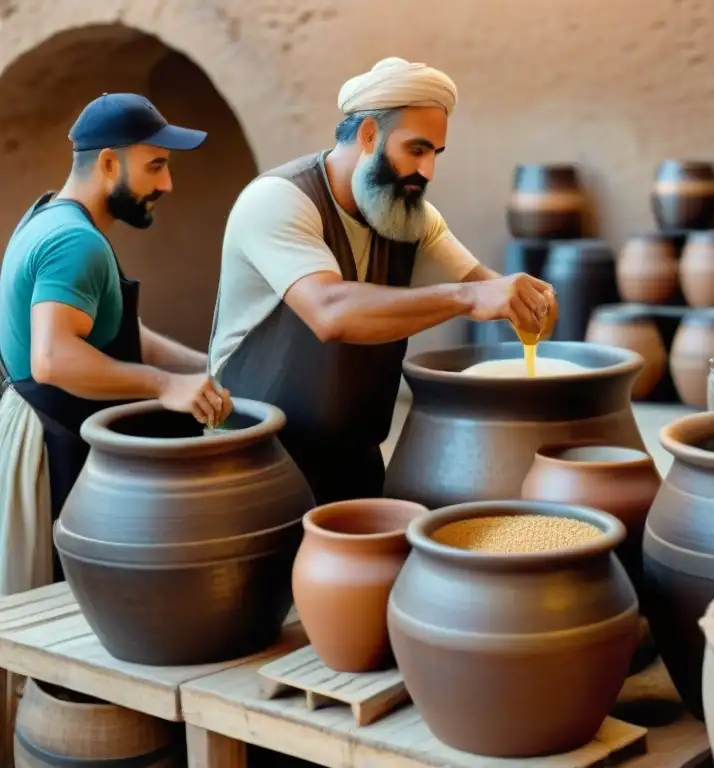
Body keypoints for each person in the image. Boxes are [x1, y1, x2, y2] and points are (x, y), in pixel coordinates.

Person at [207, 56, 557, 505]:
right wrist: (468, 298)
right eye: (416, 149)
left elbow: (494, 290)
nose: (427, 171)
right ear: (369, 134)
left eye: (435, 154)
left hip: (354, 456)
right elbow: (329, 311)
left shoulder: (412, 218)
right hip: (252, 458)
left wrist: (535, 303)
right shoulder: (278, 200)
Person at [0, 93, 233, 596]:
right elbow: (54, 357)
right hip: (51, 456)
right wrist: (164, 386)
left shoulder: (48, 217)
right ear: (109, 162)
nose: (167, 184)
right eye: (155, 165)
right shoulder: (74, 243)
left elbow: (122, 336)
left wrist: (214, 368)